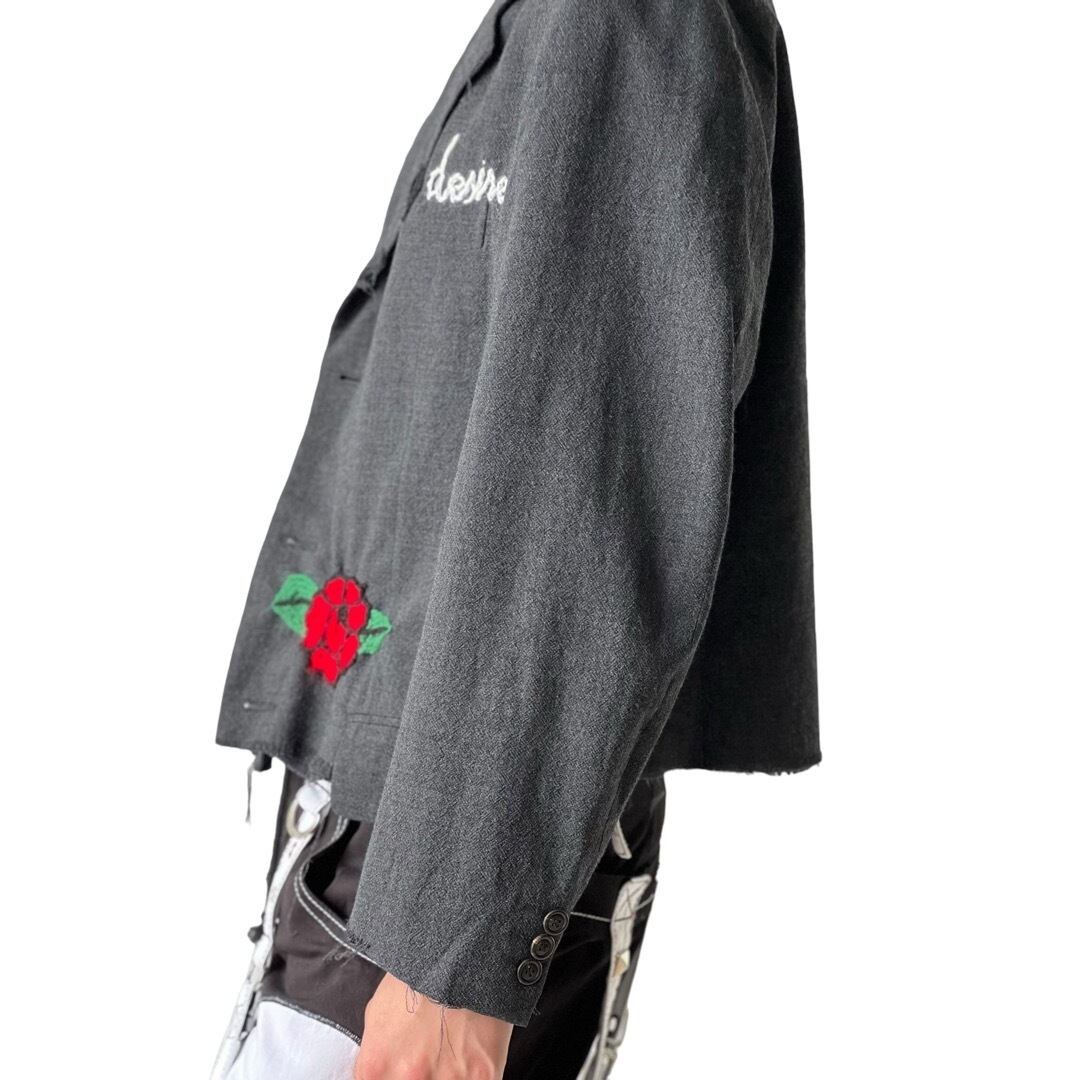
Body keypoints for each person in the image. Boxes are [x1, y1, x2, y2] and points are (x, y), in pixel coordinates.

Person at [210, 0, 819, 1076]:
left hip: (430, 882)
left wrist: (451, 964)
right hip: (383, 836)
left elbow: (589, 489)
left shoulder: (629, 20)